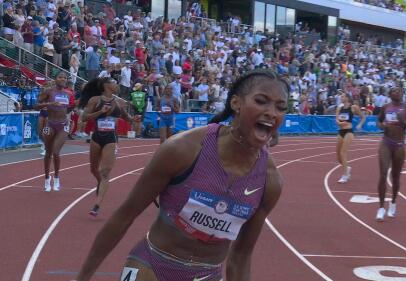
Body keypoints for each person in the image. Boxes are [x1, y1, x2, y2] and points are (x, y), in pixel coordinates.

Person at [74, 70, 289, 281]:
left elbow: (241, 256)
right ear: (236, 104)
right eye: (261, 101)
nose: (272, 112)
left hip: (208, 275)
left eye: (281, 108)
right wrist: (83, 277)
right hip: (153, 266)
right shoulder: (183, 149)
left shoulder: (269, 182)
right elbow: (125, 215)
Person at [78, 77, 135, 217]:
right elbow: (84, 118)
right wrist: (100, 112)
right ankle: (101, 183)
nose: (117, 85)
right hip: (97, 137)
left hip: (110, 138)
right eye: (114, 83)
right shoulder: (95, 100)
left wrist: (135, 119)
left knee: (105, 172)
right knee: (93, 169)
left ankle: (97, 205)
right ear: (106, 85)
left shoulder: (119, 102)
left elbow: (127, 118)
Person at [375, 87, 406, 221]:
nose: (396, 92)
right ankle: (381, 208)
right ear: (390, 94)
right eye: (393, 91)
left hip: (399, 145)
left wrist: (403, 121)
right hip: (386, 143)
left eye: (398, 91)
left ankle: (393, 203)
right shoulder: (385, 107)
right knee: (382, 174)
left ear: (402, 93)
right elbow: (378, 121)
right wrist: (381, 126)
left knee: (395, 177)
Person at [34, 72, 70, 192]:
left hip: (63, 125)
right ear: (56, 79)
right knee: (48, 153)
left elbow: (68, 108)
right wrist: (50, 103)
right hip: (50, 124)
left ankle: (57, 178)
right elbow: (36, 106)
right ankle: (46, 179)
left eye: (65, 77)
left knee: (56, 152)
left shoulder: (68, 93)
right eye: (60, 77)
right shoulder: (49, 92)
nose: (63, 79)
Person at [335, 91, 365, 183]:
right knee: (338, 156)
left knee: (343, 153)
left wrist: (360, 125)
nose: (341, 98)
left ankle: (345, 175)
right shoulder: (339, 108)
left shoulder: (353, 107)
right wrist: (340, 123)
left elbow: (363, 117)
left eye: (343, 96)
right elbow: (336, 120)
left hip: (349, 132)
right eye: (341, 96)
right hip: (341, 131)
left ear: (347, 98)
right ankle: (346, 167)